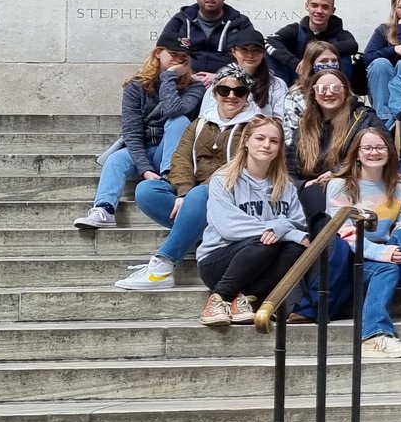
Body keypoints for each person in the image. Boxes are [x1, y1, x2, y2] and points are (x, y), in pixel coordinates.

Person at [293, 128, 401, 357]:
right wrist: (383, 253)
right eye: (367, 148)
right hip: (353, 258)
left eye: (380, 147)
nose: (374, 152)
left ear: (389, 152)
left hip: (388, 252)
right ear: (357, 153)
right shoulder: (340, 185)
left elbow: (400, 224)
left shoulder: (400, 187)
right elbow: (342, 232)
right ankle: (375, 336)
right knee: (388, 268)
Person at [116, 70, 263, 291]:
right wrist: (184, 192)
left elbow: (243, 166)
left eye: (239, 91)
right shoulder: (200, 123)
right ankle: (196, 232)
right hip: (195, 196)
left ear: (247, 95)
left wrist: (195, 193)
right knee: (147, 190)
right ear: (215, 93)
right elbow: (181, 159)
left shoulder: (256, 127)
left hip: (234, 196)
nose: (231, 96)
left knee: (201, 194)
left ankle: (163, 266)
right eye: (224, 90)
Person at [76, 40, 205, 229]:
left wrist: (169, 77)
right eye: (173, 54)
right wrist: (145, 169)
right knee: (116, 159)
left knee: (179, 121)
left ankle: (169, 179)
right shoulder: (136, 86)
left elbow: (174, 109)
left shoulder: (194, 87)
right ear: (158, 53)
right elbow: (131, 131)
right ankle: (104, 209)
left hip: (171, 150)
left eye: (184, 57)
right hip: (143, 150)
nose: (178, 59)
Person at [197, 116, 308, 326]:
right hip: (219, 262)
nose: (267, 145)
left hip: (261, 266)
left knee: (297, 248)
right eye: (260, 138)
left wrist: (282, 229)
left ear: (279, 148)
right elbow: (229, 227)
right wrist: (280, 230)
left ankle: (246, 299)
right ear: (246, 141)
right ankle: (218, 298)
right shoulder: (223, 180)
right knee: (266, 242)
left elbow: (297, 221)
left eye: (274, 141)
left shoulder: (285, 186)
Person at [287, 67, 376, 221]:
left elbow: (381, 153)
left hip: (356, 181)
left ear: (346, 92)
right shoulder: (303, 127)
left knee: (317, 193)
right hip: (315, 188)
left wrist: (338, 172)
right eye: (322, 89)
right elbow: (290, 169)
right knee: (311, 193)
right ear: (314, 94)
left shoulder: (364, 119)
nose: (328, 93)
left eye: (335, 88)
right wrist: (302, 185)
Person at [160, 0, 253, 77]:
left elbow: (252, 58)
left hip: (227, 83)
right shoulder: (180, 21)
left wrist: (220, 77)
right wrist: (187, 77)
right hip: (185, 79)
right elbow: (162, 53)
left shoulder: (240, 23)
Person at [265, 0, 360, 89]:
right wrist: (294, 62)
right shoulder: (295, 30)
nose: (319, 11)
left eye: (325, 7)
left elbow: (353, 45)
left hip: (330, 82)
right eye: (314, 5)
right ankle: (279, 94)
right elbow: (269, 40)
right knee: (272, 55)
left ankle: (342, 91)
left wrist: (313, 56)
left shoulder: (340, 33)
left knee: (344, 57)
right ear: (307, 6)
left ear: (332, 10)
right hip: (298, 76)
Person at [224, 27, 290, 115]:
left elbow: (280, 117)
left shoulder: (277, 85)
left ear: (264, 53)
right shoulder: (221, 82)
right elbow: (210, 113)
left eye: (256, 50)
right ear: (233, 52)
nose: (250, 55)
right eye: (244, 49)